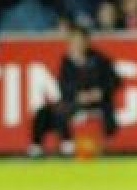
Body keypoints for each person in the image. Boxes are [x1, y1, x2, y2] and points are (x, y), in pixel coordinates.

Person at [28, 21, 121, 157]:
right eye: (74, 41)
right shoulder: (67, 62)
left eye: (80, 41)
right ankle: (37, 146)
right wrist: (77, 95)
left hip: (97, 102)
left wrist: (100, 92)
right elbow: (63, 85)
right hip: (75, 101)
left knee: (62, 111)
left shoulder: (99, 59)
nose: (77, 44)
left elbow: (114, 80)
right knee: (45, 112)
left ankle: (69, 144)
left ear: (86, 41)